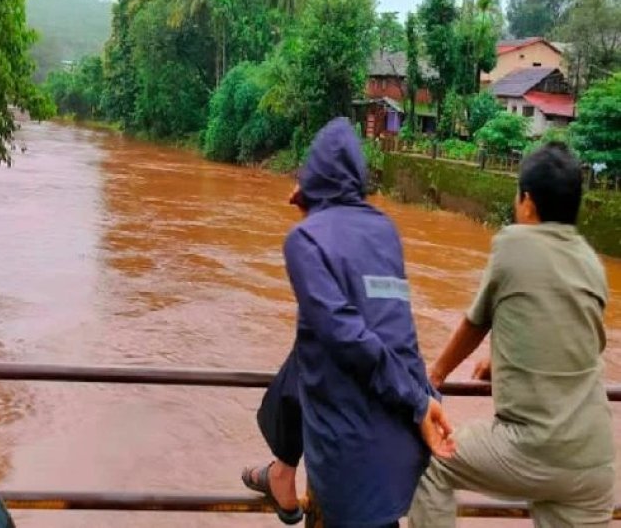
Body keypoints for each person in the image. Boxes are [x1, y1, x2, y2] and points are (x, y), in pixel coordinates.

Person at [242, 118, 454, 526]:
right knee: (315, 340)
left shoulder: (304, 241)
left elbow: (346, 336)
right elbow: (384, 326)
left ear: (311, 175)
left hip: (348, 463)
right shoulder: (384, 229)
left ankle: (282, 472)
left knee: (318, 342)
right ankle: (282, 472)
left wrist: (417, 402)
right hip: (403, 448)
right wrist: (421, 401)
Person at [408, 142, 615, 527]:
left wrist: (434, 375)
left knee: (433, 463)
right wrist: (502, 358)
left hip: (531, 448)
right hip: (593, 460)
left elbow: (476, 322)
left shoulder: (513, 244)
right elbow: (579, 340)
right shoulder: (592, 263)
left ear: (528, 202)